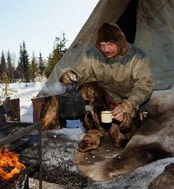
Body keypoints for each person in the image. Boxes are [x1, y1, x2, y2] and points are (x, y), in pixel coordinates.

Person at [60, 22, 154, 150]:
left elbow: (144, 85)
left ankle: (127, 125)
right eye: (102, 45)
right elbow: (79, 72)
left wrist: (128, 105)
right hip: (105, 100)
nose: (105, 50)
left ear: (120, 43)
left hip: (129, 103)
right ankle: (94, 131)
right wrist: (70, 75)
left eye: (110, 44)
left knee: (121, 141)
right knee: (86, 90)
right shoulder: (93, 54)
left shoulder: (137, 56)